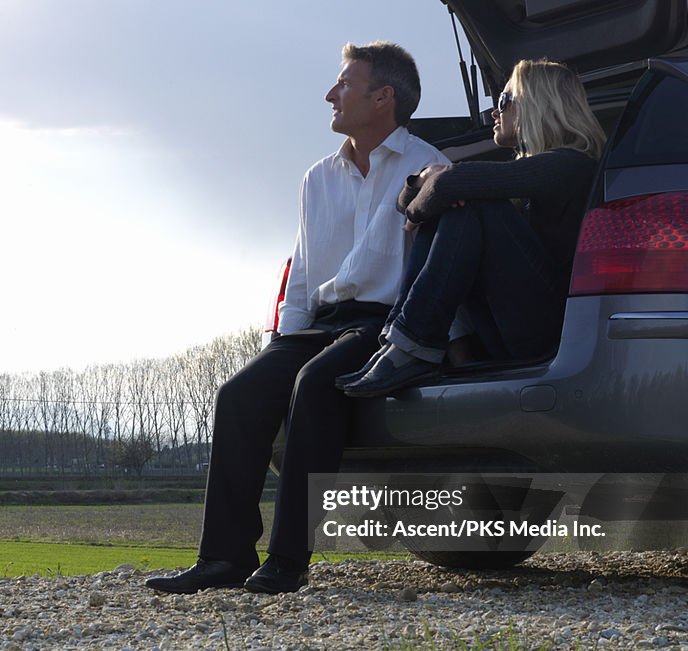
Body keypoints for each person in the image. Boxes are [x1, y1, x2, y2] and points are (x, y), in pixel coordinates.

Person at [145, 41, 448, 595]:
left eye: (344, 84)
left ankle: (287, 562)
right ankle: (223, 559)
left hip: (384, 322)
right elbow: (304, 270)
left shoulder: (430, 167)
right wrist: (279, 348)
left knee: (315, 385)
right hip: (320, 322)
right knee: (239, 394)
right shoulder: (317, 177)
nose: (330, 94)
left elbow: (434, 271)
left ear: (383, 97)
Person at [339, 58, 606, 397]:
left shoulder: (572, 165)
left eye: (504, 101)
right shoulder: (535, 173)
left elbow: (451, 185)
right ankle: (401, 342)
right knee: (463, 203)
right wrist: (424, 179)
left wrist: (435, 187)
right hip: (505, 330)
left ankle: (411, 346)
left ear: (538, 104)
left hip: (549, 339)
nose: (493, 113)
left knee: (474, 202)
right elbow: (407, 202)